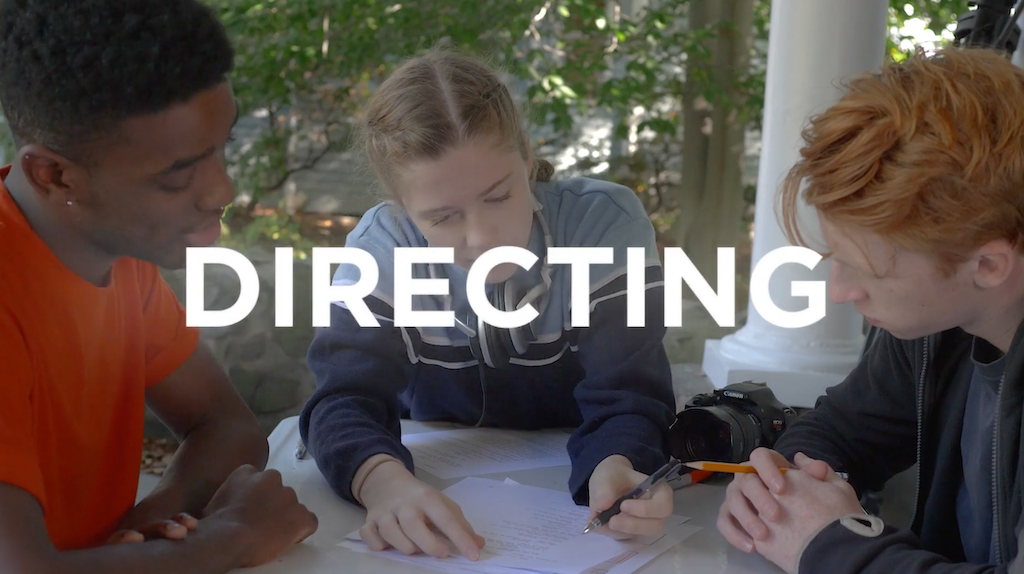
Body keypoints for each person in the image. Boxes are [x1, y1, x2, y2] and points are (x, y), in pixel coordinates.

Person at [299, 49, 678, 561]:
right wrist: (382, 484)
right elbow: (341, 400)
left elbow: (630, 391)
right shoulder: (383, 245)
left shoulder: (604, 225)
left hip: (571, 484)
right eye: (442, 217)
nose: (482, 237)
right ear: (401, 207)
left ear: (526, 154)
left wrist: (619, 459)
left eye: (499, 197)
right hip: (430, 477)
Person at [0, 1, 318, 572]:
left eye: (221, 146)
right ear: (56, 175)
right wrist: (230, 538)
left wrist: (157, 526)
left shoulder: (117, 250)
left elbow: (227, 425)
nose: (222, 189)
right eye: (177, 176)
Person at [716, 46, 1024, 573]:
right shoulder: (938, 320)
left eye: (870, 270)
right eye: (837, 258)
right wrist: (779, 487)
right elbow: (842, 429)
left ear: (990, 265)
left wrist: (827, 546)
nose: (839, 291)